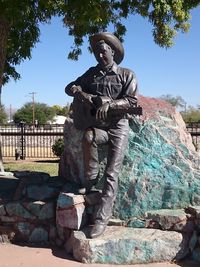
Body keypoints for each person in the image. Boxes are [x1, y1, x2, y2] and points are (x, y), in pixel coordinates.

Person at [65, 32, 138, 238]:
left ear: (112, 52)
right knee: (88, 136)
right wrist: (81, 93)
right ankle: (90, 182)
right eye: (96, 52)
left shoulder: (126, 74)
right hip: (99, 127)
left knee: (112, 174)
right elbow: (69, 87)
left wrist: (111, 105)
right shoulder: (91, 74)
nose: (99, 56)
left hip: (118, 127)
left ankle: (101, 219)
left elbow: (132, 102)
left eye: (103, 51)